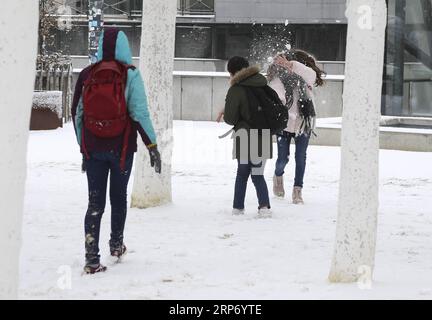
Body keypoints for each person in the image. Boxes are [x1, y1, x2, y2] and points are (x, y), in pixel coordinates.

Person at [71, 28, 161, 274]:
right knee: (118, 198)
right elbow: (139, 114)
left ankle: (91, 258)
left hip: (93, 149)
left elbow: (77, 113)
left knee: (94, 203)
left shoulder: (88, 73)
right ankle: (116, 244)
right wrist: (152, 146)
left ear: (99, 47)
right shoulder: (130, 74)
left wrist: (84, 148)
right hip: (121, 149)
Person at [268, 50, 325, 204]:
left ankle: (297, 190)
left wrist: (291, 64)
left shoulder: (306, 79)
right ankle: (278, 176)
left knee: (300, 158)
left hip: (303, 123)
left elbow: (311, 74)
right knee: (282, 159)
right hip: (284, 124)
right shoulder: (279, 79)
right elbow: (275, 93)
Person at [223, 56, 273, 218]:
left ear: (233, 71)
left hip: (244, 136)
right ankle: (264, 207)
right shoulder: (263, 84)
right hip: (264, 134)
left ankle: (238, 208)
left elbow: (230, 118)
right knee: (258, 173)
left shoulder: (236, 89)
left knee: (242, 172)